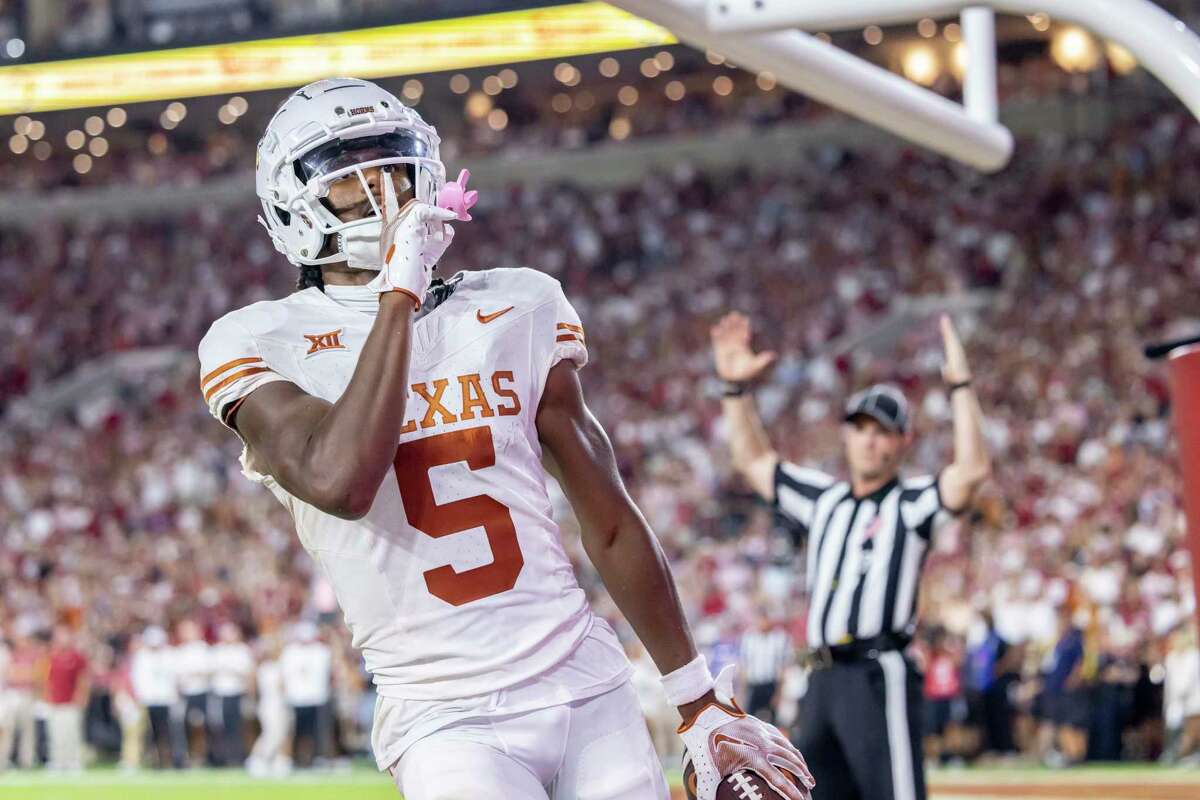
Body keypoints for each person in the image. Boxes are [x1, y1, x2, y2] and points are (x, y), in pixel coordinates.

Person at [197, 77, 811, 800]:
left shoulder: (516, 301)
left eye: (393, 167)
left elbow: (608, 519)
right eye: (349, 178)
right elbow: (342, 481)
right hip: (444, 713)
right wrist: (400, 294)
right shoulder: (260, 339)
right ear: (292, 207)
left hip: (586, 682)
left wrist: (696, 696)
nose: (383, 193)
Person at [712, 311, 991, 800]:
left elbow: (970, 471)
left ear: (904, 441)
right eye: (860, 427)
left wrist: (961, 387)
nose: (869, 439)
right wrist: (735, 392)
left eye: (882, 430)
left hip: (876, 671)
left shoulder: (910, 504)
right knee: (815, 792)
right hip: (820, 678)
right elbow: (756, 462)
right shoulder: (825, 501)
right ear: (845, 434)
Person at [131, 626, 184, 769]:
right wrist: (139, 697)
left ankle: (172, 760)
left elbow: (176, 677)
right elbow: (137, 679)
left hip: (167, 699)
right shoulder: (142, 656)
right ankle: (155, 761)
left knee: (169, 732)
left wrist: (177, 694)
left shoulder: (170, 655)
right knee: (151, 734)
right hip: (148, 700)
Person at [280, 622, 332, 769]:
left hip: (316, 697)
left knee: (317, 732)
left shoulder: (322, 651)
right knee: (296, 731)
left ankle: (318, 757)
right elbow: (284, 676)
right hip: (296, 698)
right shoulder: (290, 652)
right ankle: (294, 759)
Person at [44, 625, 90, 772]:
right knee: (56, 733)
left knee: (72, 733)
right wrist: (47, 697)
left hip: (71, 701)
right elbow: (45, 679)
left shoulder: (77, 657)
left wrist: (81, 697)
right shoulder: (52, 656)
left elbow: (84, 679)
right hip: (55, 701)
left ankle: (74, 761)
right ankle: (57, 761)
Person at [209, 622, 255, 766]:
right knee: (219, 727)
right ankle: (220, 758)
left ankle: (238, 757)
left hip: (237, 693)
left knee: (237, 728)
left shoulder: (242, 650)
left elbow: (249, 673)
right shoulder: (216, 651)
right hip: (219, 694)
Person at [0, 626, 42, 770]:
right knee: (7, 729)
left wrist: (21, 673)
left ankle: (27, 761)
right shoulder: (11, 653)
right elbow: (9, 675)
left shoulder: (33, 654)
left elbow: (35, 675)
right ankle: (3, 761)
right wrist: (24, 673)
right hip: (11, 695)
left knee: (28, 730)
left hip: (27, 695)